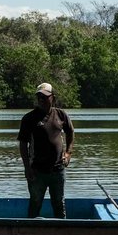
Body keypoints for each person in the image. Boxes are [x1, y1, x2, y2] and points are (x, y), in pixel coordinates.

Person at [16, 82, 73, 218]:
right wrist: (27, 168)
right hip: (37, 171)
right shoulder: (29, 118)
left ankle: (61, 232)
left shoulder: (61, 115)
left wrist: (68, 153)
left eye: (45, 97)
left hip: (58, 169)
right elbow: (23, 144)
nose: (41, 100)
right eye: (39, 97)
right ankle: (31, 233)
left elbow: (70, 132)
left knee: (59, 203)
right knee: (35, 203)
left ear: (52, 97)